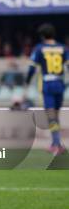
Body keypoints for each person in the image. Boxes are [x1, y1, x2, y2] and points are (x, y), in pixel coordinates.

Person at [24, 24, 67, 155]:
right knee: (55, 115)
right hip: (60, 83)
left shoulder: (39, 48)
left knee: (51, 116)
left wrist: (27, 82)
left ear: (42, 36)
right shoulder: (63, 48)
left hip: (47, 84)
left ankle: (56, 145)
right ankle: (56, 143)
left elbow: (32, 68)